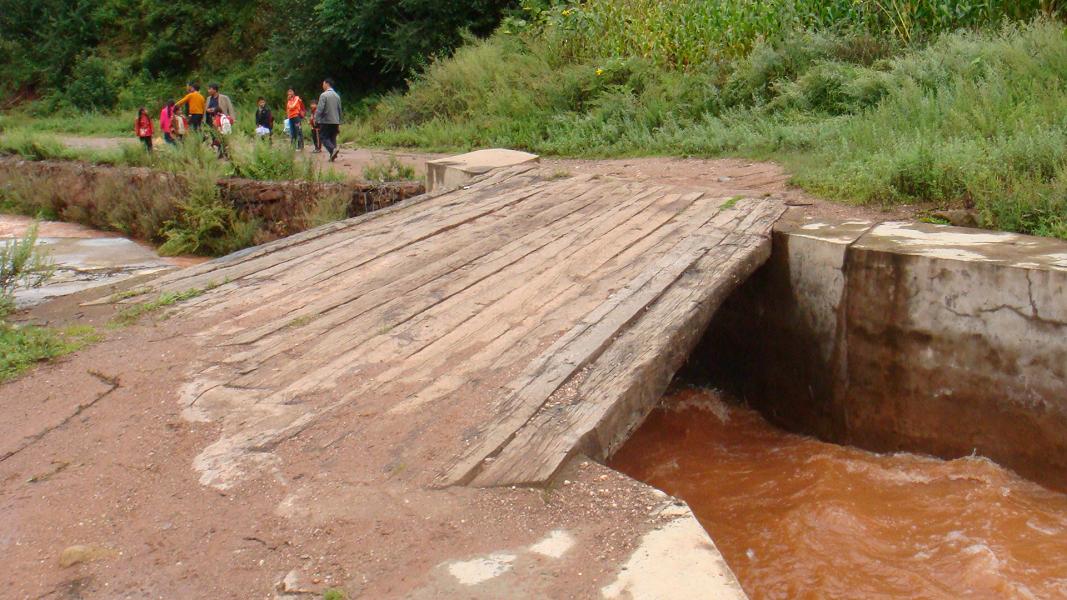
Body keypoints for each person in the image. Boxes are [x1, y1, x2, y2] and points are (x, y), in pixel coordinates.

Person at [315, 78, 342, 161]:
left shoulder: (324, 95)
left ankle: (333, 150)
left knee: (323, 137)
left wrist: (316, 119)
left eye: (323, 84)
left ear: (327, 84)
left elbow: (320, 109)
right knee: (332, 137)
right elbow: (339, 109)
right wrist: (339, 121)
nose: (322, 86)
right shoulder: (337, 96)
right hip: (335, 120)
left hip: (326, 120)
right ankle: (332, 156)